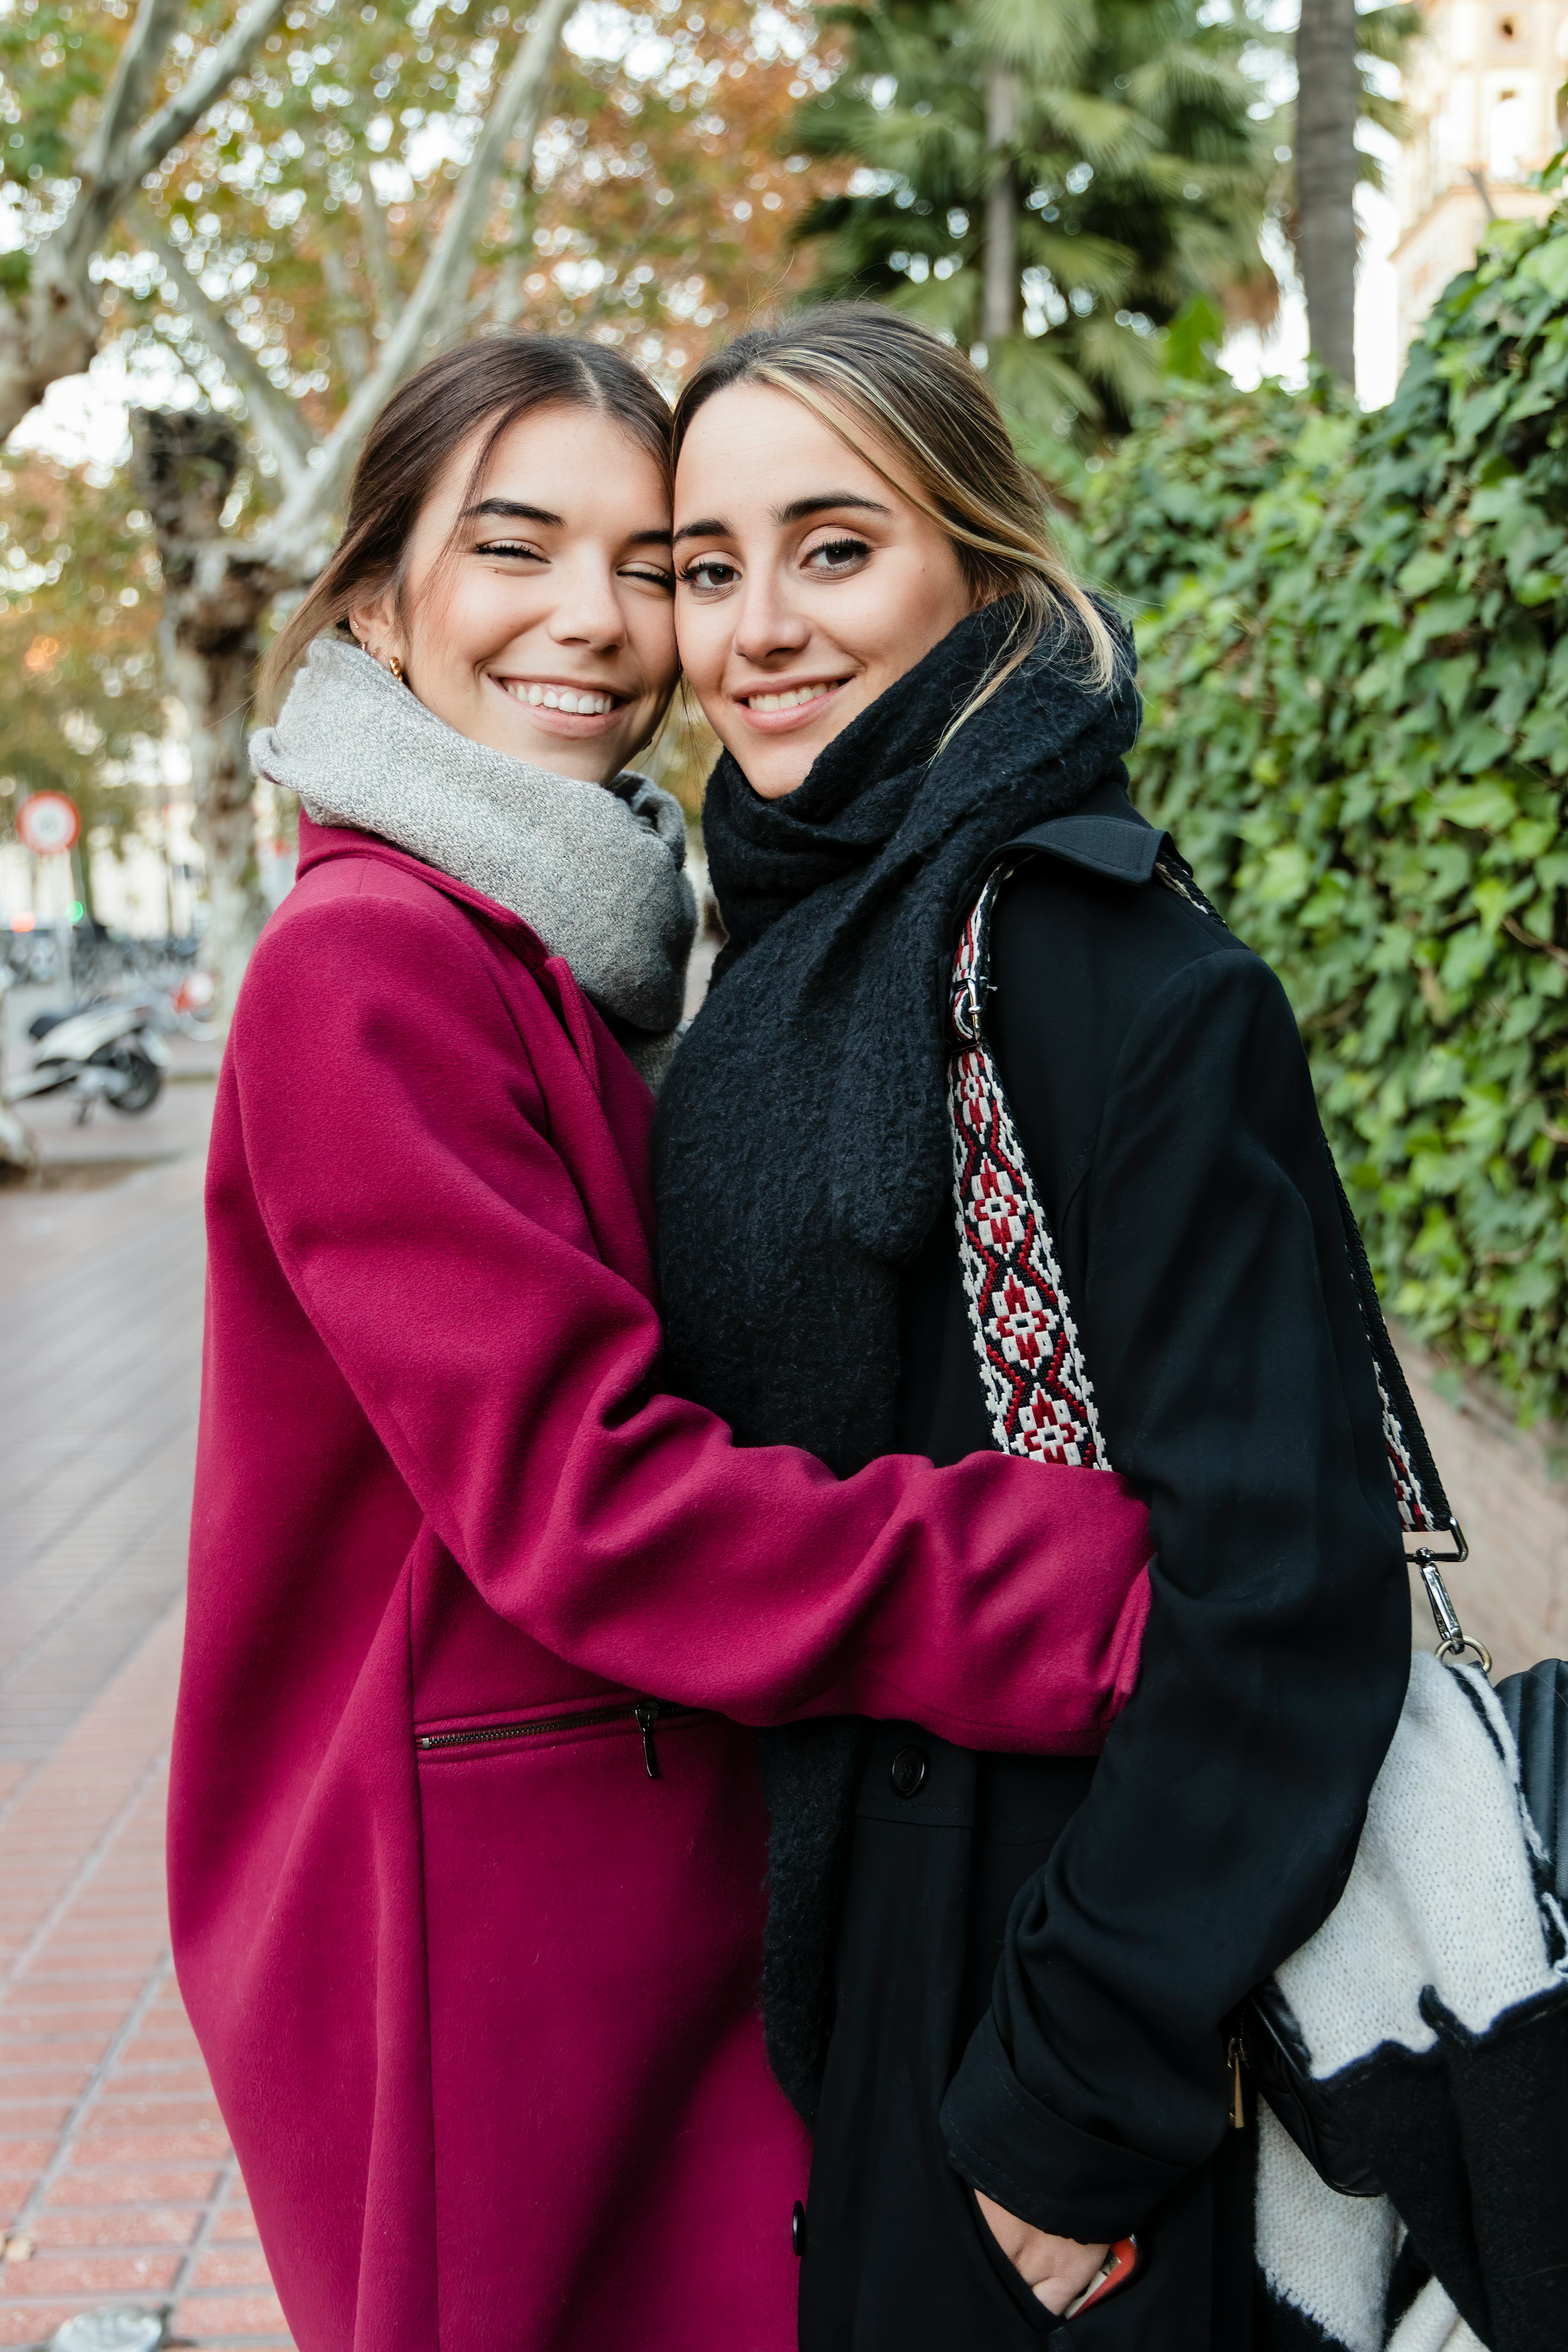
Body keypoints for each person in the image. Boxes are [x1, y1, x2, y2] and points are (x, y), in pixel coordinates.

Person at [168, 332, 1155, 2352]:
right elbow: (583, 1497)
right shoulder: (368, 968)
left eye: (656, 564)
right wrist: (1066, 1581)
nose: (596, 624)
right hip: (481, 1911)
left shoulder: (565, 936)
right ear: (377, 598)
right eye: (516, 548)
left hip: (611, 1856)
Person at [653, 305, 1413, 2348]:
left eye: (834, 547)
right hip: (857, 1964)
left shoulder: (1100, 971)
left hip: (1057, 1998)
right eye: (708, 568)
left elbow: (1287, 1587)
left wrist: (1063, 2110)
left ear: (981, 569)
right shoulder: (777, 957)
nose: (760, 630)